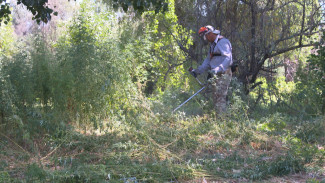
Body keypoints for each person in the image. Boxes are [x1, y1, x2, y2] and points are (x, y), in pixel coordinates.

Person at [190, 25, 233, 113]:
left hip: (224, 72)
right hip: (216, 74)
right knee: (216, 97)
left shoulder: (223, 42)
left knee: (220, 97)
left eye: (205, 36)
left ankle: (222, 120)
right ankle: (220, 118)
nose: (205, 39)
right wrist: (197, 71)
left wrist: (218, 69)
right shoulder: (212, 46)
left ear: (210, 34)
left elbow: (228, 58)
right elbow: (207, 62)